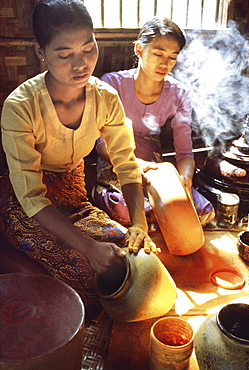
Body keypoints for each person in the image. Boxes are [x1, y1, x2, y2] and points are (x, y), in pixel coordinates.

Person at [0, 0, 157, 318]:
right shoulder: (21, 107)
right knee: (86, 276)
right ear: (40, 52)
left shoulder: (106, 99)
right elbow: (30, 195)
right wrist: (87, 247)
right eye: (64, 54)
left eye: (88, 48)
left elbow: (125, 164)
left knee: (134, 261)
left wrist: (139, 224)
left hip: (74, 198)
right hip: (26, 207)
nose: (81, 64)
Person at [94, 17, 215, 227]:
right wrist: (134, 165)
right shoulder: (111, 84)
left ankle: (157, 220)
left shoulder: (180, 93)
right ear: (139, 49)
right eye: (158, 54)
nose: (165, 64)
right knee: (126, 210)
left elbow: (185, 152)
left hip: (156, 168)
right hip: (116, 163)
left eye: (172, 57)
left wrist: (184, 180)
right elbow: (102, 145)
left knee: (204, 211)